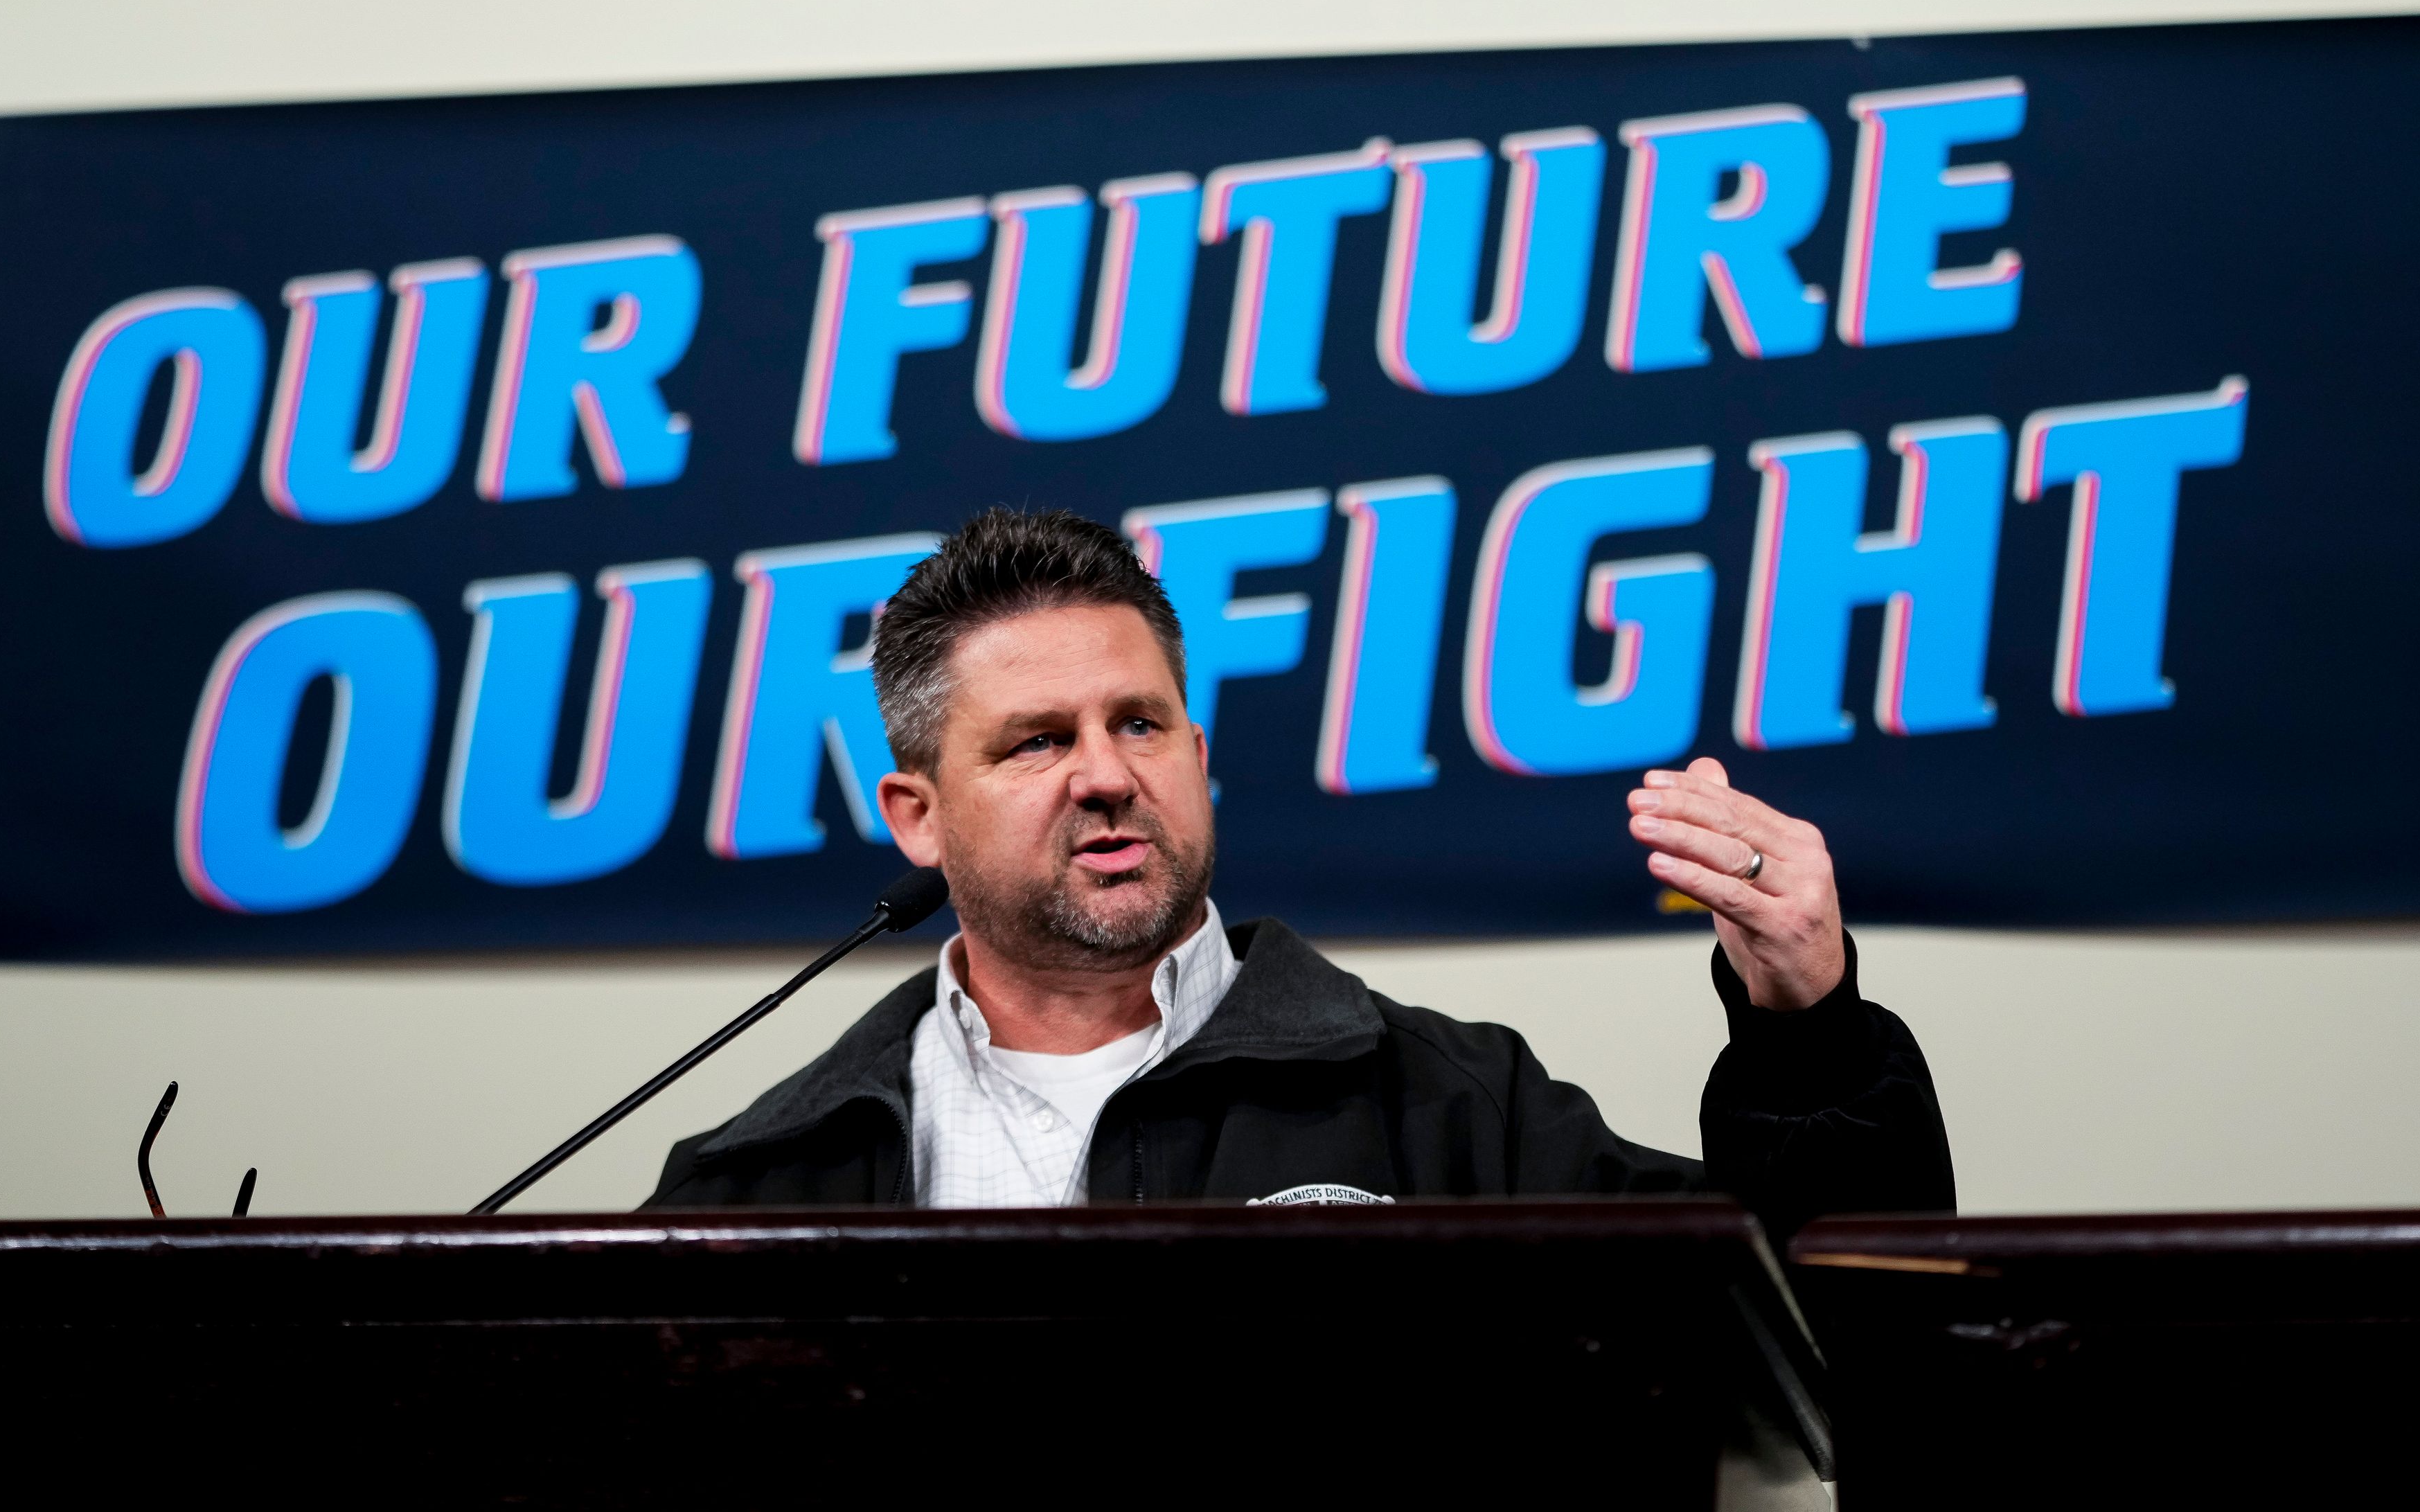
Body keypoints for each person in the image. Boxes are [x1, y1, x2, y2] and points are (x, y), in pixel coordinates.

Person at [650, 509, 1952, 1238]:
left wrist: (1810, 1028)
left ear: (1198, 756)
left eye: (1139, 724)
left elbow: (1815, 1331)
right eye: (1038, 742)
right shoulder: (759, 1181)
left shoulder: (1460, 1110)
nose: (1106, 774)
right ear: (917, 817)